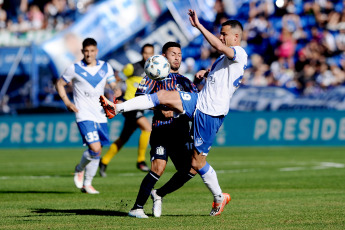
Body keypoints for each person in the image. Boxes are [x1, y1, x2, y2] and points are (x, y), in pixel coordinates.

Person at [100, 10, 247, 216]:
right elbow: (218, 76)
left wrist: (198, 26)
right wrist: (205, 75)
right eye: (221, 33)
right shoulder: (221, 60)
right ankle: (116, 107)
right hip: (197, 103)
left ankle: (219, 197)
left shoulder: (239, 54)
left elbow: (219, 46)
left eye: (224, 34)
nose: (221, 37)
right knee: (163, 96)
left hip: (210, 114)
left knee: (196, 164)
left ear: (236, 37)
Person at [128, 41, 198, 218]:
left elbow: (197, 102)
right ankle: (136, 208)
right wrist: (159, 108)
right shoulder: (154, 76)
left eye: (179, 54)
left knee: (190, 169)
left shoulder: (185, 81)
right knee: (158, 167)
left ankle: (158, 193)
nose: (177, 57)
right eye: (173, 54)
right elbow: (139, 98)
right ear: (164, 56)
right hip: (162, 130)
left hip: (181, 132)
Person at [56, 38, 117, 194]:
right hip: (83, 113)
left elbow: (113, 84)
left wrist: (116, 90)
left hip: (101, 114)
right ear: (82, 51)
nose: (89, 54)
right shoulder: (74, 68)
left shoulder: (105, 67)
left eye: (92, 51)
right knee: (94, 148)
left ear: (96, 51)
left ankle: (87, 184)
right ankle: (80, 168)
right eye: (86, 51)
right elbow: (60, 84)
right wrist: (67, 102)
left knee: (98, 151)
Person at [98, 44, 154, 177]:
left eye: (150, 53)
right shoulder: (132, 67)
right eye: (145, 53)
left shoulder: (153, 70)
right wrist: (116, 93)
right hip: (130, 105)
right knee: (147, 128)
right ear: (141, 53)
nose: (147, 56)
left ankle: (104, 161)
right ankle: (141, 160)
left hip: (140, 106)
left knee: (124, 138)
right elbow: (117, 78)